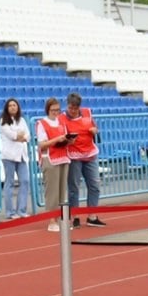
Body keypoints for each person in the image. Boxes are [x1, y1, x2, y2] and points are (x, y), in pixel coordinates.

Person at [62, 91, 104, 228]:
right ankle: (75, 216)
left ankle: (92, 215)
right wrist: (67, 141)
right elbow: (60, 137)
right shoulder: (63, 118)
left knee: (95, 185)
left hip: (90, 154)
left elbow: (95, 128)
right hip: (74, 156)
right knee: (74, 187)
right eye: (70, 108)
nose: (73, 111)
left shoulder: (87, 113)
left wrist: (94, 130)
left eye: (75, 108)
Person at [36, 97, 71, 232]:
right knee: (52, 191)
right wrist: (57, 139)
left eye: (58, 109)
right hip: (49, 158)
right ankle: (52, 220)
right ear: (48, 110)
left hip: (63, 157)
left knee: (62, 191)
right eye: (53, 110)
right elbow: (42, 144)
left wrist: (69, 141)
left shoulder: (62, 122)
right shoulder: (42, 123)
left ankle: (62, 218)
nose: (56, 112)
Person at [0, 98, 30, 219]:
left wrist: (20, 136)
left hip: (21, 155)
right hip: (9, 155)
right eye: (10, 105)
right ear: (7, 108)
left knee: (25, 181)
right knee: (10, 182)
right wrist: (19, 135)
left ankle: (21, 210)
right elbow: (12, 136)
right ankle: (10, 212)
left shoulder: (21, 120)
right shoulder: (3, 121)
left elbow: (28, 136)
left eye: (14, 105)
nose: (12, 107)